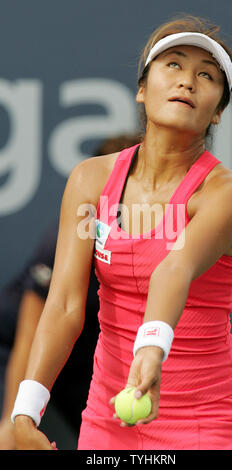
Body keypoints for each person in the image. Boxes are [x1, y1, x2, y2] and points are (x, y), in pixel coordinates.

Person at [12, 15, 232, 450]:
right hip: (109, 419)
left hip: (208, 423)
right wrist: (26, 410)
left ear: (219, 112)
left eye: (207, 75)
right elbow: (66, 305)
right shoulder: (90, 179)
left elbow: (175, 268)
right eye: (174, 65)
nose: (188, 81)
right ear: (142, 90)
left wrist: (150, 351)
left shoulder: (225, 193)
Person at [0, 136, 140, 449]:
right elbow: (33, 331)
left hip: (81, 353)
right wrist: (12, 417)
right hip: (17, 346)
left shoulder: (154, 235)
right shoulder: (67, 236)